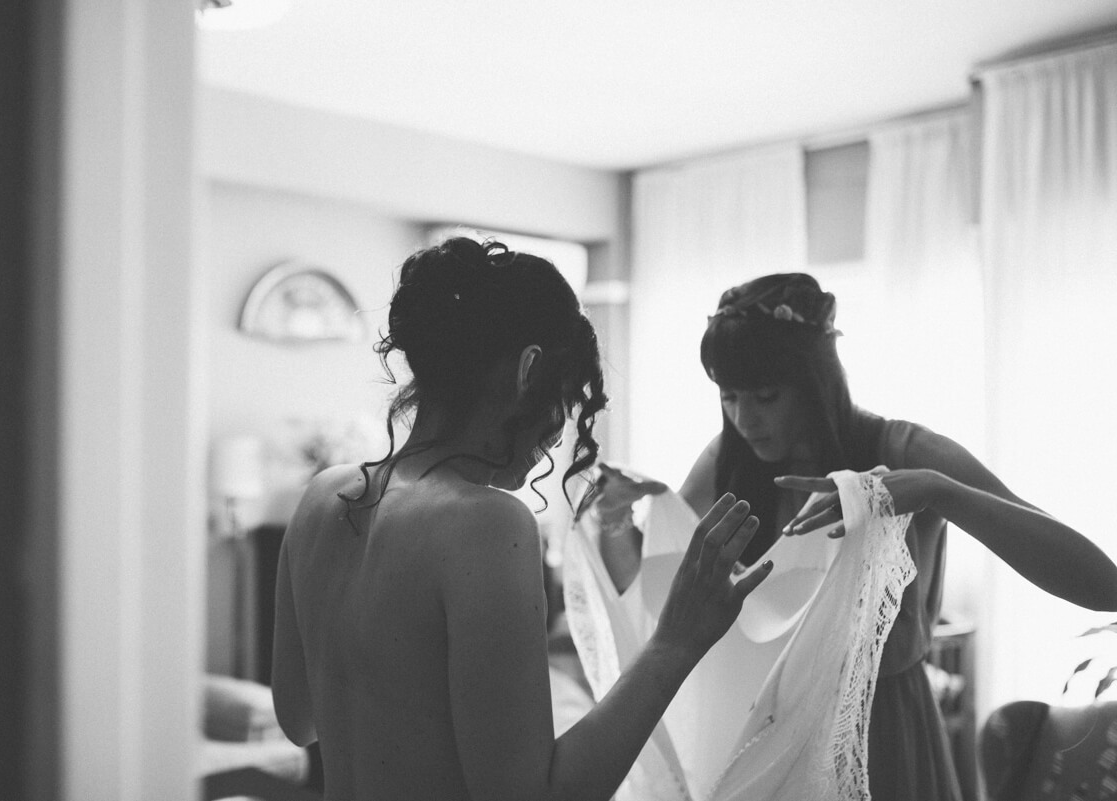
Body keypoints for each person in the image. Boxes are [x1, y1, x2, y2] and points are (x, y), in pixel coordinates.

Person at [270, 237, 774, 801]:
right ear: (528, 369)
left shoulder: (323, 498)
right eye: (565, 394)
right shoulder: (485, 525)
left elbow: (299, 719)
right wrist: (675, 642)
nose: (560, 430)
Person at [586, 272, 1117, 801]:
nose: (744, 419)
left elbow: (1101, 584)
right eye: (728, 397)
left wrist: (940, 492)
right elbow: (664, 594)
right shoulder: (729, 459)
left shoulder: (906, 451)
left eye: (766, 397)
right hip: (762, 730)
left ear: (814, 383)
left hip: (877, 733)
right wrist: (615, 520)